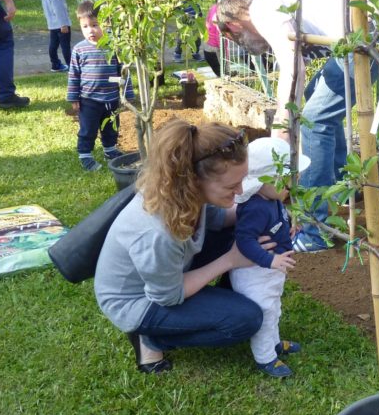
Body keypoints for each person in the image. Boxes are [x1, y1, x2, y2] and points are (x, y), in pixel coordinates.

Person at [215, 0, 379, 252]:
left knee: (314, 121)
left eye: (236, 40)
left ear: (234, 27)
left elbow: (293, 67)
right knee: (313, 100)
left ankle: (313, 231)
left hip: (373, 26)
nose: (244, 46)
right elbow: (299, 75)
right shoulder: (273, 1)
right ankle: (346, 182)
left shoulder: (262, 11)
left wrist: (283, 128)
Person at [95, 121, 266, 374]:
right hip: (139, 300)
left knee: (240, 233)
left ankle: (216, 304)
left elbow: (222, 220)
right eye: (232, 187)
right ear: (195, 180)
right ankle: (152, 338)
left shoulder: (185, 193)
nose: (240, 191)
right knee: (246, 319)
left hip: (166, 276)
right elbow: (167, 295)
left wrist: (267, 215)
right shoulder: (157, 232)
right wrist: (230, 260)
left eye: (242, 181)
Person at [230, 138, 309, 377]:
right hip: (255, 274)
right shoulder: (254, 208)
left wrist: (290, 230)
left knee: (274, 308)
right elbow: (244, 241)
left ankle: (274, 343)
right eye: (283, 179)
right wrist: (270, 260)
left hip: (269, 273)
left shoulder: (271, 200)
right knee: (264, 311)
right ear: (262, 180)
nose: (289, 184)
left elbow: (274, 227)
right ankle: (265, 358)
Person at [67, 0, 134, 171]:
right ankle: (85, 155)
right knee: (88, 129)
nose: (91, 30)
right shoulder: (79, 50)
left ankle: (110, 149)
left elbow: (124, 71)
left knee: (111, 126)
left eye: (95, 25)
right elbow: (74, 74)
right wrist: (73, 97)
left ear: (105, 23)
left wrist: (128, 93)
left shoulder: (114, 47)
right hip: (89, 99)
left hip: (111, 98)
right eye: (85, 26)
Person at [40, 0, 72, 73]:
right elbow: (59, 10)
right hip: (61, 24)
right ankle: (71, 66)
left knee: (53, 45)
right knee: (65, 46)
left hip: (52, 24)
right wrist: (64, 25)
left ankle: (55, 64)